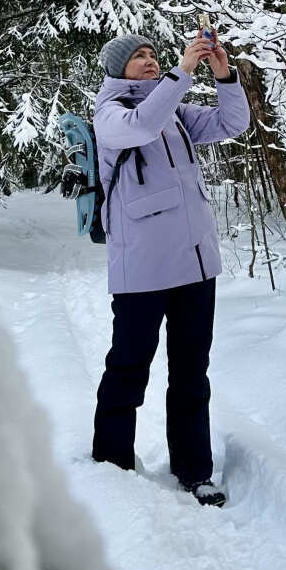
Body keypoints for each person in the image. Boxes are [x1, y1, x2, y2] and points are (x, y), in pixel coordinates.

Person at [91, 26, 250, 506]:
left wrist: (224, 76)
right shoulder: (111, 114)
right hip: (141, 271)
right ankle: (111, 466)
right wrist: (182, 72)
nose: (150, 60)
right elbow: (142, 126)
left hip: (196, 266)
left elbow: (233, 123)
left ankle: (195, 470)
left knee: (191, 372)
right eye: (138, 56)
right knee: (128, 368)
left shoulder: (175, 110)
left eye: (152, 54)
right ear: (118, 70)